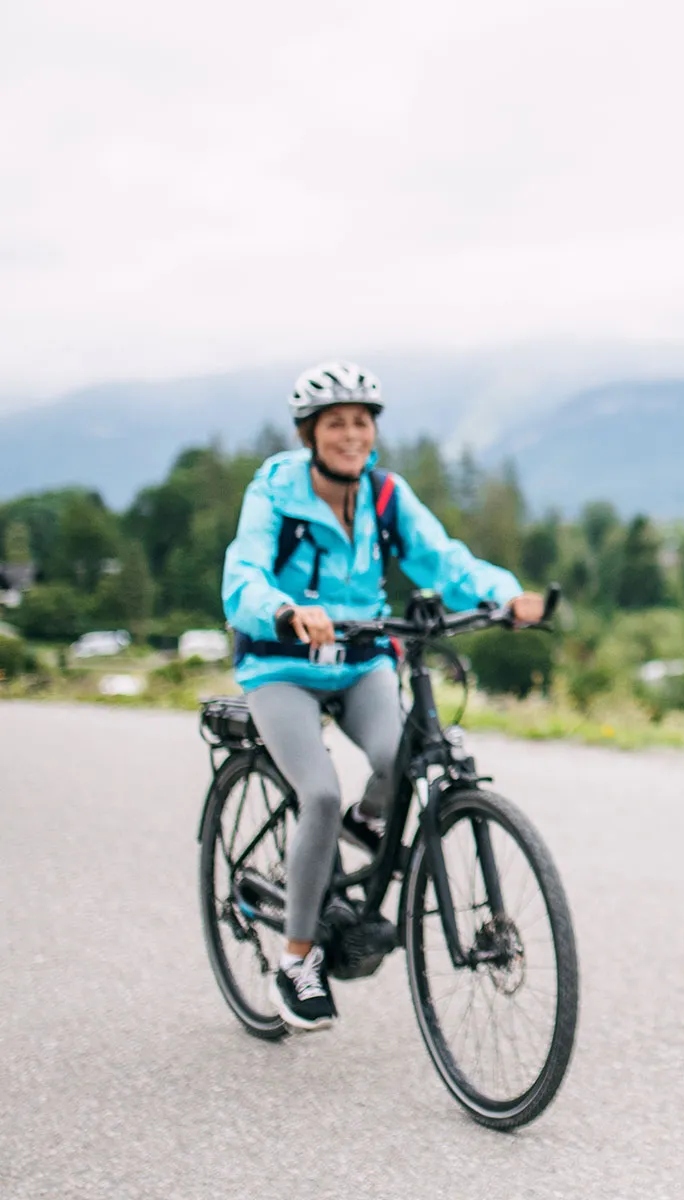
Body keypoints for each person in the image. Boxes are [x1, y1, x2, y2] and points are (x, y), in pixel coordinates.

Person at [221, 361, 545, 1032]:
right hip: (282, 664)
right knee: (317, 794)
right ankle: (298, 960)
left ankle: (370, 823)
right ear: (309, 434)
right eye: (335, 423)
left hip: (362, 657)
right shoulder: (276, 494)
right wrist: (284, 611)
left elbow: (444, 561)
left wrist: (503, 595)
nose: (351, 435)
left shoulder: (385, 495)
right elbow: (243, 574)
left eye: (361, 422)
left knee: (406, 757)